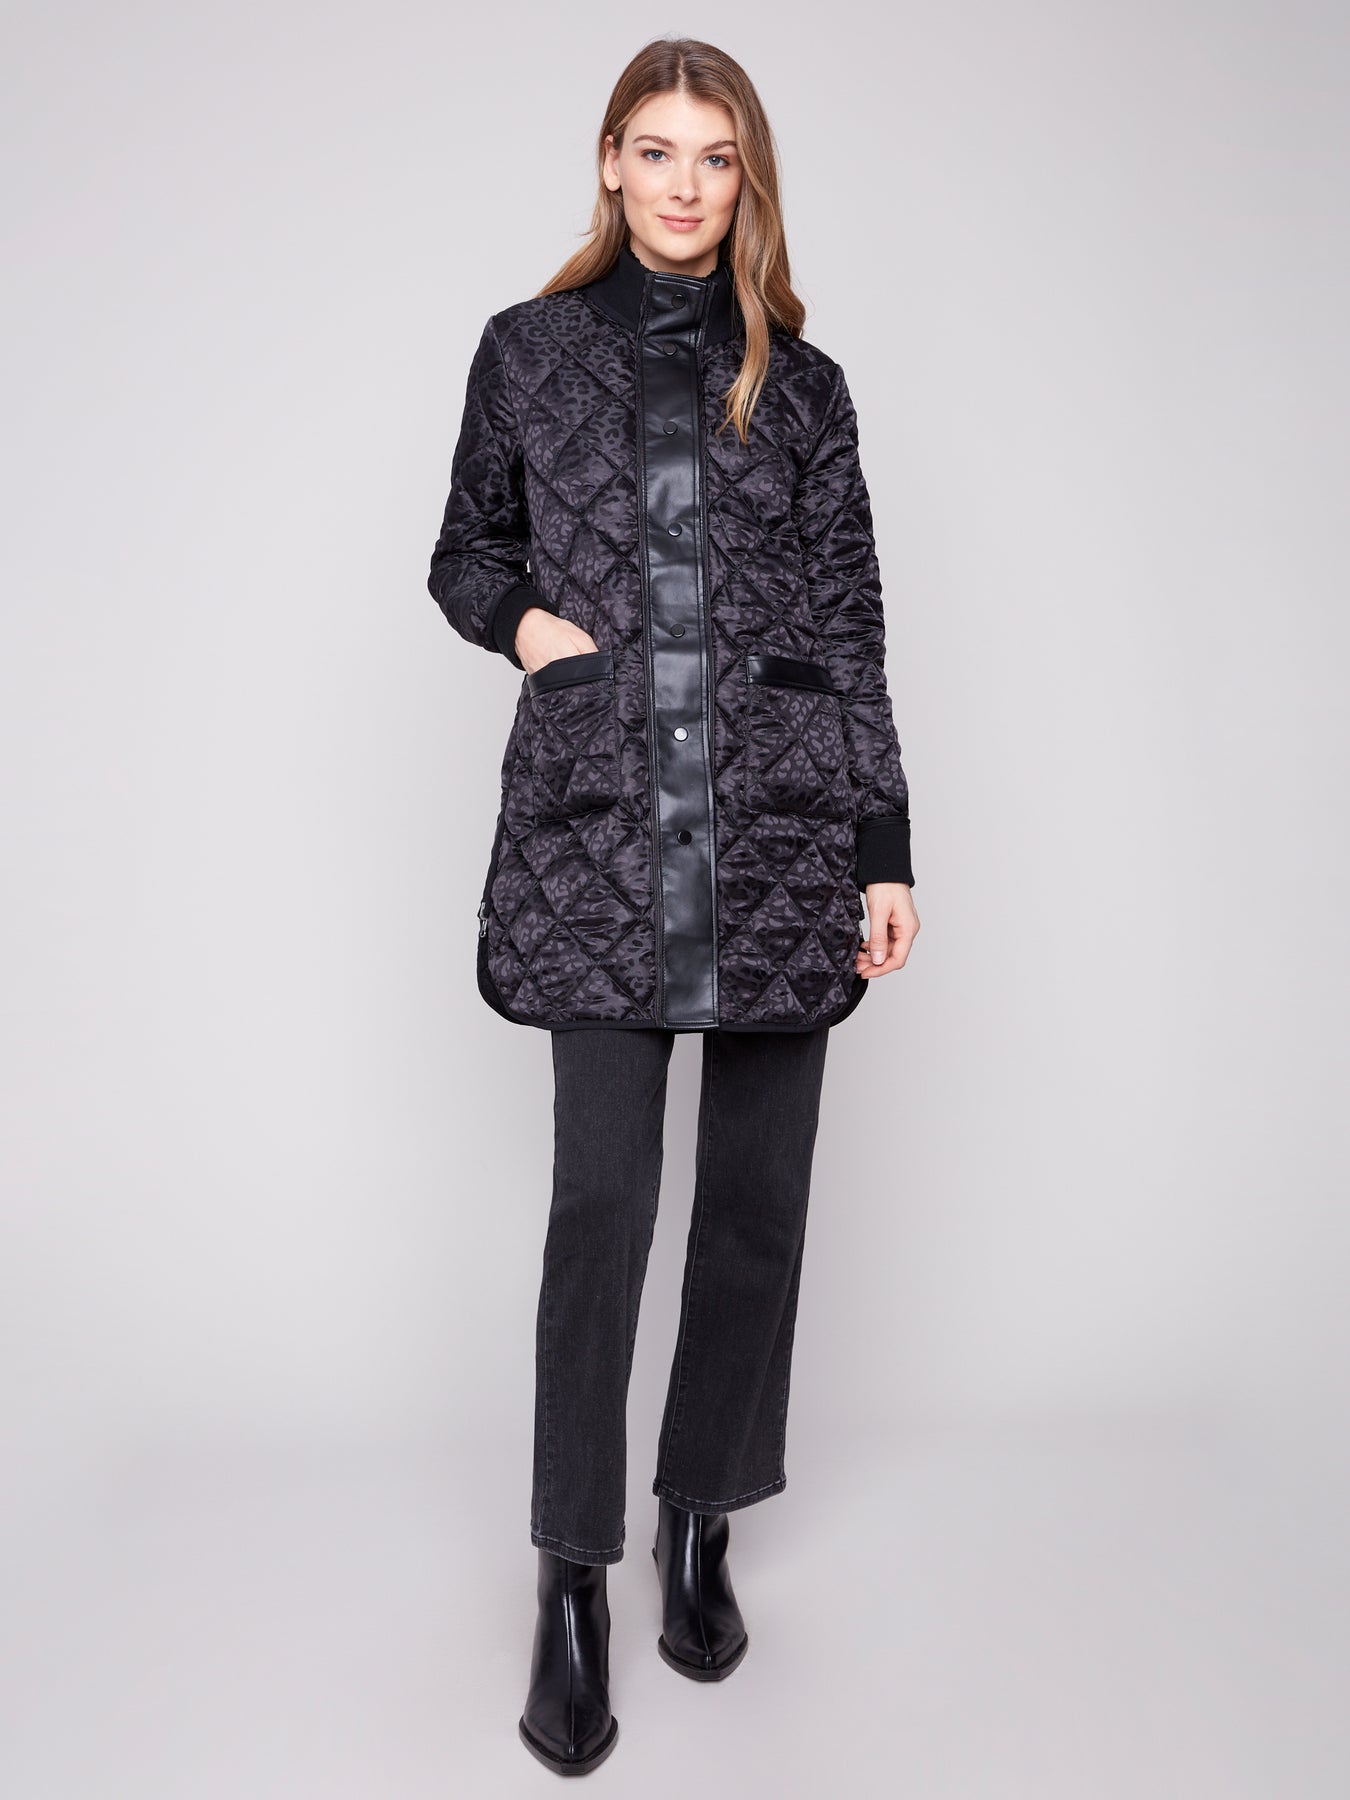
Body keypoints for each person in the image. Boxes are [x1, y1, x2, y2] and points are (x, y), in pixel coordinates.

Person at [426, 35, 919, 1775]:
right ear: (609, 162)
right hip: (598, 829)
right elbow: (466, 552)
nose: (683, 184)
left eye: (714, 156)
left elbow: (851, 624)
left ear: (745, 178)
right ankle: (570, 1576)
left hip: (782, 828)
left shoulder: (807, 385)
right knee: (603, 1208)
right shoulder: (526, 350)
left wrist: (882, 844)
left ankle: (699, 1515)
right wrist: (532, 633)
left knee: (757, 1208)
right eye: (654, 150)